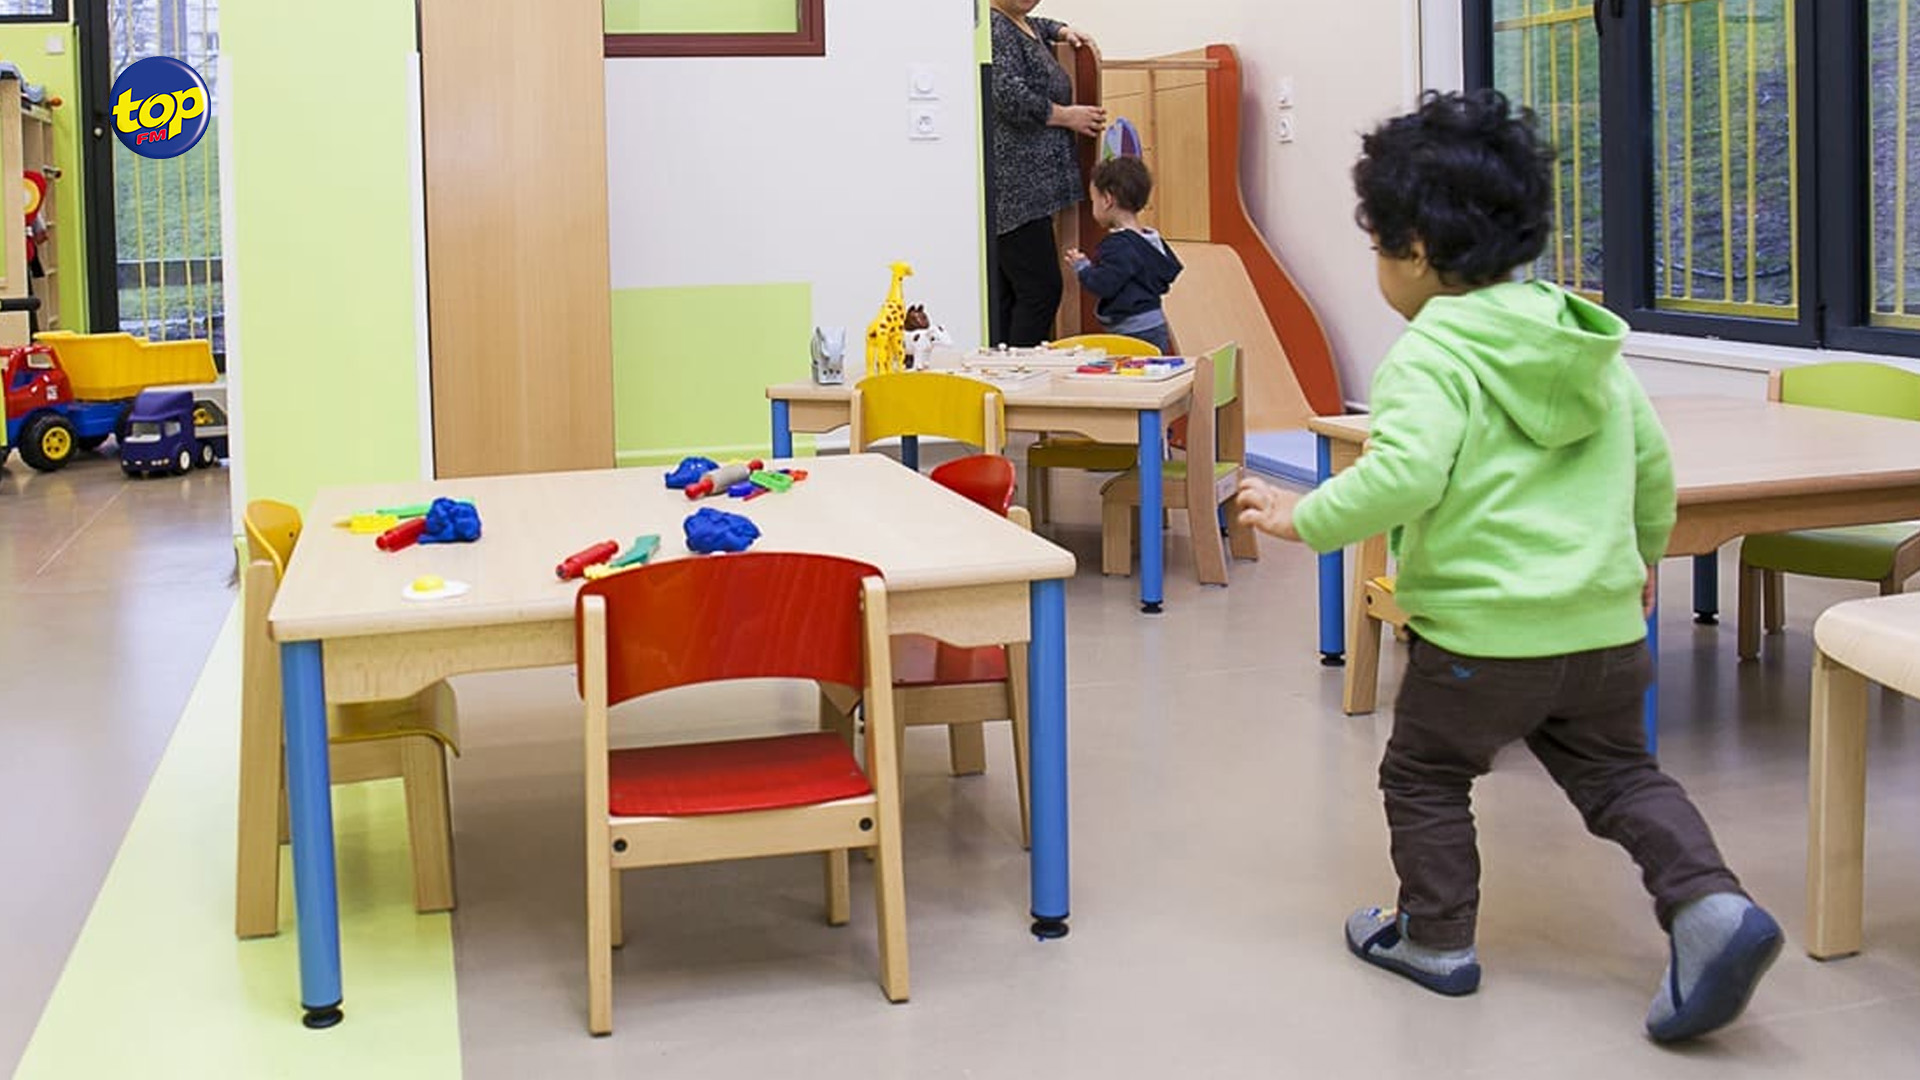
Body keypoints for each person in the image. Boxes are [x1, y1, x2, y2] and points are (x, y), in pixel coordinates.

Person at [1235, 89, 1780, 1045]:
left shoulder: (1431, 354)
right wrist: (1639, 557)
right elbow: (1652, 467)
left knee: (1426, 774)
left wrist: (1301, 517)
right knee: (1621, 775)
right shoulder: (1583, 343)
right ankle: (1710, 905)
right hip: (1603, 629)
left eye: (1377, 248)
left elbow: (1404, 476)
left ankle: (1436, 940)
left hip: (1481, 640)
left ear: (1415, 249)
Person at [989, 0, 1105, 347]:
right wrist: (1068, 116)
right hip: (1017, 189)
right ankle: (1019, 371)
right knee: (1041, 290)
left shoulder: (1019, 22)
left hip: (1030, 189)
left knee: (1012, 294)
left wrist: (1062, 29)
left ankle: (1007, 369)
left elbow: (1035, 23)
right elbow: (1007, 96)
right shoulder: (995, 27)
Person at [1064, 155, 1183, 353]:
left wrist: (1082, 267)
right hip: (1155, 324)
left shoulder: (1118, 245)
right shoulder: (1151, 240)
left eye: (1093, 200)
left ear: (1107, 200)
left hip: (1131, 331)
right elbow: (1168, 271)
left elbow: (1104, 284)